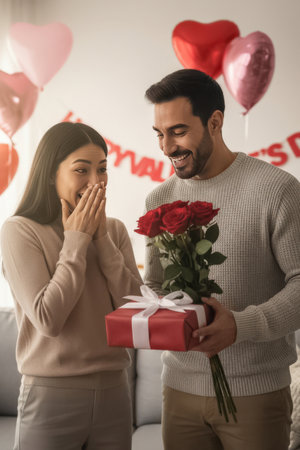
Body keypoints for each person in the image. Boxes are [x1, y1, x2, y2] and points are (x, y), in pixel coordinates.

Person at [143, 69, 300, 450]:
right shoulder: (158, 200)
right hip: (178, 391)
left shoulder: (277, 190)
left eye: (178, 131)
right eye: (159, 134)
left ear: (215, 122)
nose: (166, 147)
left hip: (256, 395)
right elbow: (154, 284)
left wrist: (242, 325)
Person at [0, 122, 142, 450]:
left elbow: (135, 313)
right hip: (51, 395)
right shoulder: (20, 231)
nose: (96, 182)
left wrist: (102, 239)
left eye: (102, 169)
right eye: (82, 170)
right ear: (51, 174)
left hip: (114, 392)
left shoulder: (115, 231)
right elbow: (49, 319)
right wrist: (76, 240)